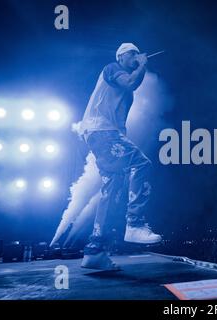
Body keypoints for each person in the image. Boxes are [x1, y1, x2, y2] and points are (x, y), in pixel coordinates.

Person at [78, 43, 162, 270]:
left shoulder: (124, 74)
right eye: (132, 54)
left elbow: (131, 85)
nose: (136, 56)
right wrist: (142, 64)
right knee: (141, 163)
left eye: (138, 54)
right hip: (102, 131)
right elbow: (132, 82)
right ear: (122, 56)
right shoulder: (112, 68)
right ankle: (134, 223)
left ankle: (95, 252)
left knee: (111, 189)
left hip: (100, 133)